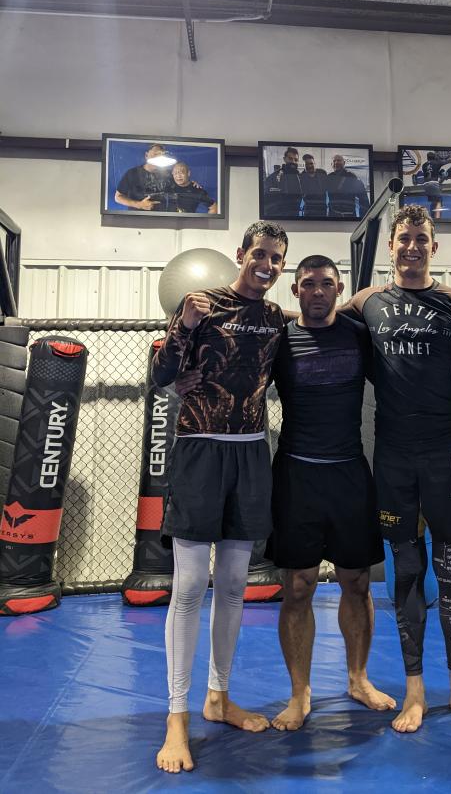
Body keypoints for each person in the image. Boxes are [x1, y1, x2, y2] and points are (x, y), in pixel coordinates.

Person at [340, 204, 451, 734]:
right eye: (403, 238)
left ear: (434, 246)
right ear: (390, 246)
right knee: (407, 573)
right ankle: (414, 690)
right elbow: (315, 324)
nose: (411, 246)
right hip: (393, 459)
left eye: (420, 238)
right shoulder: (366, 304)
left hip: (447, 457)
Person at [151, 221, 289, 774]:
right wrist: (183, 327)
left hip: (251, 452)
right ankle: (176, 716)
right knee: (189, 587)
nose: (267, 265)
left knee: (233, 586)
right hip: (199, 450)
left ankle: (218, 696)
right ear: (241, 254)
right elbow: (160, 375)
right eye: (260, 254)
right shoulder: (201, 304)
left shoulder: (276, 318)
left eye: (276, 258)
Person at [267, 255, 395, 731]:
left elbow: (400, 375)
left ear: (339, 289)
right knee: (297, 586)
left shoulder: (360, 334)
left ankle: (358, 679)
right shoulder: (280, 339)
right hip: (296, 476)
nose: (317, 291)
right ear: (295, 290)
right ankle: (299, 693)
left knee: (356, 582)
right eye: (308, 284)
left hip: (348, 475)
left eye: (326, 283)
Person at [114, 143, 172, 211]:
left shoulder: (169, 174)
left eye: (161, 156)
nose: (157, 158)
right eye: (155, 154)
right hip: (138, 216)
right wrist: (139, 205)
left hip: (164, 216)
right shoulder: (132, 173)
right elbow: (118, 197)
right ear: (146, 155)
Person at [327, 154, 370, 220]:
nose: (336, 162)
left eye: (339, 160)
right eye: (334, 161)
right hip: (332, 216)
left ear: (344, 163)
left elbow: (364, 200)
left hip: (349, 217)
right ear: (331, 164)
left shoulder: (352, 177)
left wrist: (363, 219)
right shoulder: (328, 178)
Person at [263, 147, 303, 218]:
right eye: (290, 158)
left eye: (296, 160)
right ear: (284, 159)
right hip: (278, 217)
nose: (293, 162)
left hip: (295, 217)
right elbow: (266, 203)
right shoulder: (273, 177)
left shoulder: (300, 177)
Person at [299, 153, 328, 218]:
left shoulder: (322, 173)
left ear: (314, 163)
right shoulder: (301, 176)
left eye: (311, 163)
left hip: (322, 208)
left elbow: (328, 187)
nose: (309, 166)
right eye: (307, 164)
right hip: (308, 209)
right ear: (304, 166)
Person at [420, 152, 444, 218]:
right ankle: (438, 219)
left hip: (426, 185)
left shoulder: (424, 165)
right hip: (434, 184)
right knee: (439, 201)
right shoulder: (437, 163)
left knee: (434, 201)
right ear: (434, 157)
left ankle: (432, 217)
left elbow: (431, 171)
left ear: (427, 158)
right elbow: (445, 162)